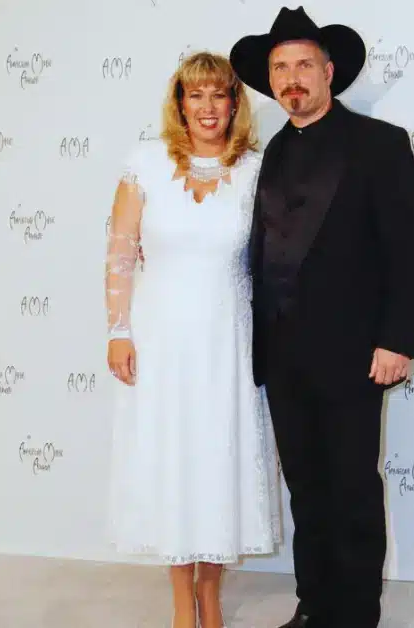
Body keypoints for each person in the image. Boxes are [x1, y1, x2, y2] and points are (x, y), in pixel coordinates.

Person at [229, 7, 414, 628]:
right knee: (308, 496)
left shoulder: (380, 144)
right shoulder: (268, 156)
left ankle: (355, 616)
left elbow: (411, 247)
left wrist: (397, 340)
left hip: (354, 355)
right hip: (284, 357)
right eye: (279, 68)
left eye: (303, 65)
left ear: (329, 71)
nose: (292, 78)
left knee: (351, 492)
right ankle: (313, 608)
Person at [104, 51, 282, 628]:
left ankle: (211, 594)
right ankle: (184, 603)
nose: (208, 107)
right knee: (173, 464)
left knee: (216, 466)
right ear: (179, 103)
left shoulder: (258, 170)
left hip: (228, 342)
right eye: (195, 95)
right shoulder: (145, 163)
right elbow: (121, 252)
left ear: (235, 104)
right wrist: (119, 331)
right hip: (162, 342)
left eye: (219, 95)